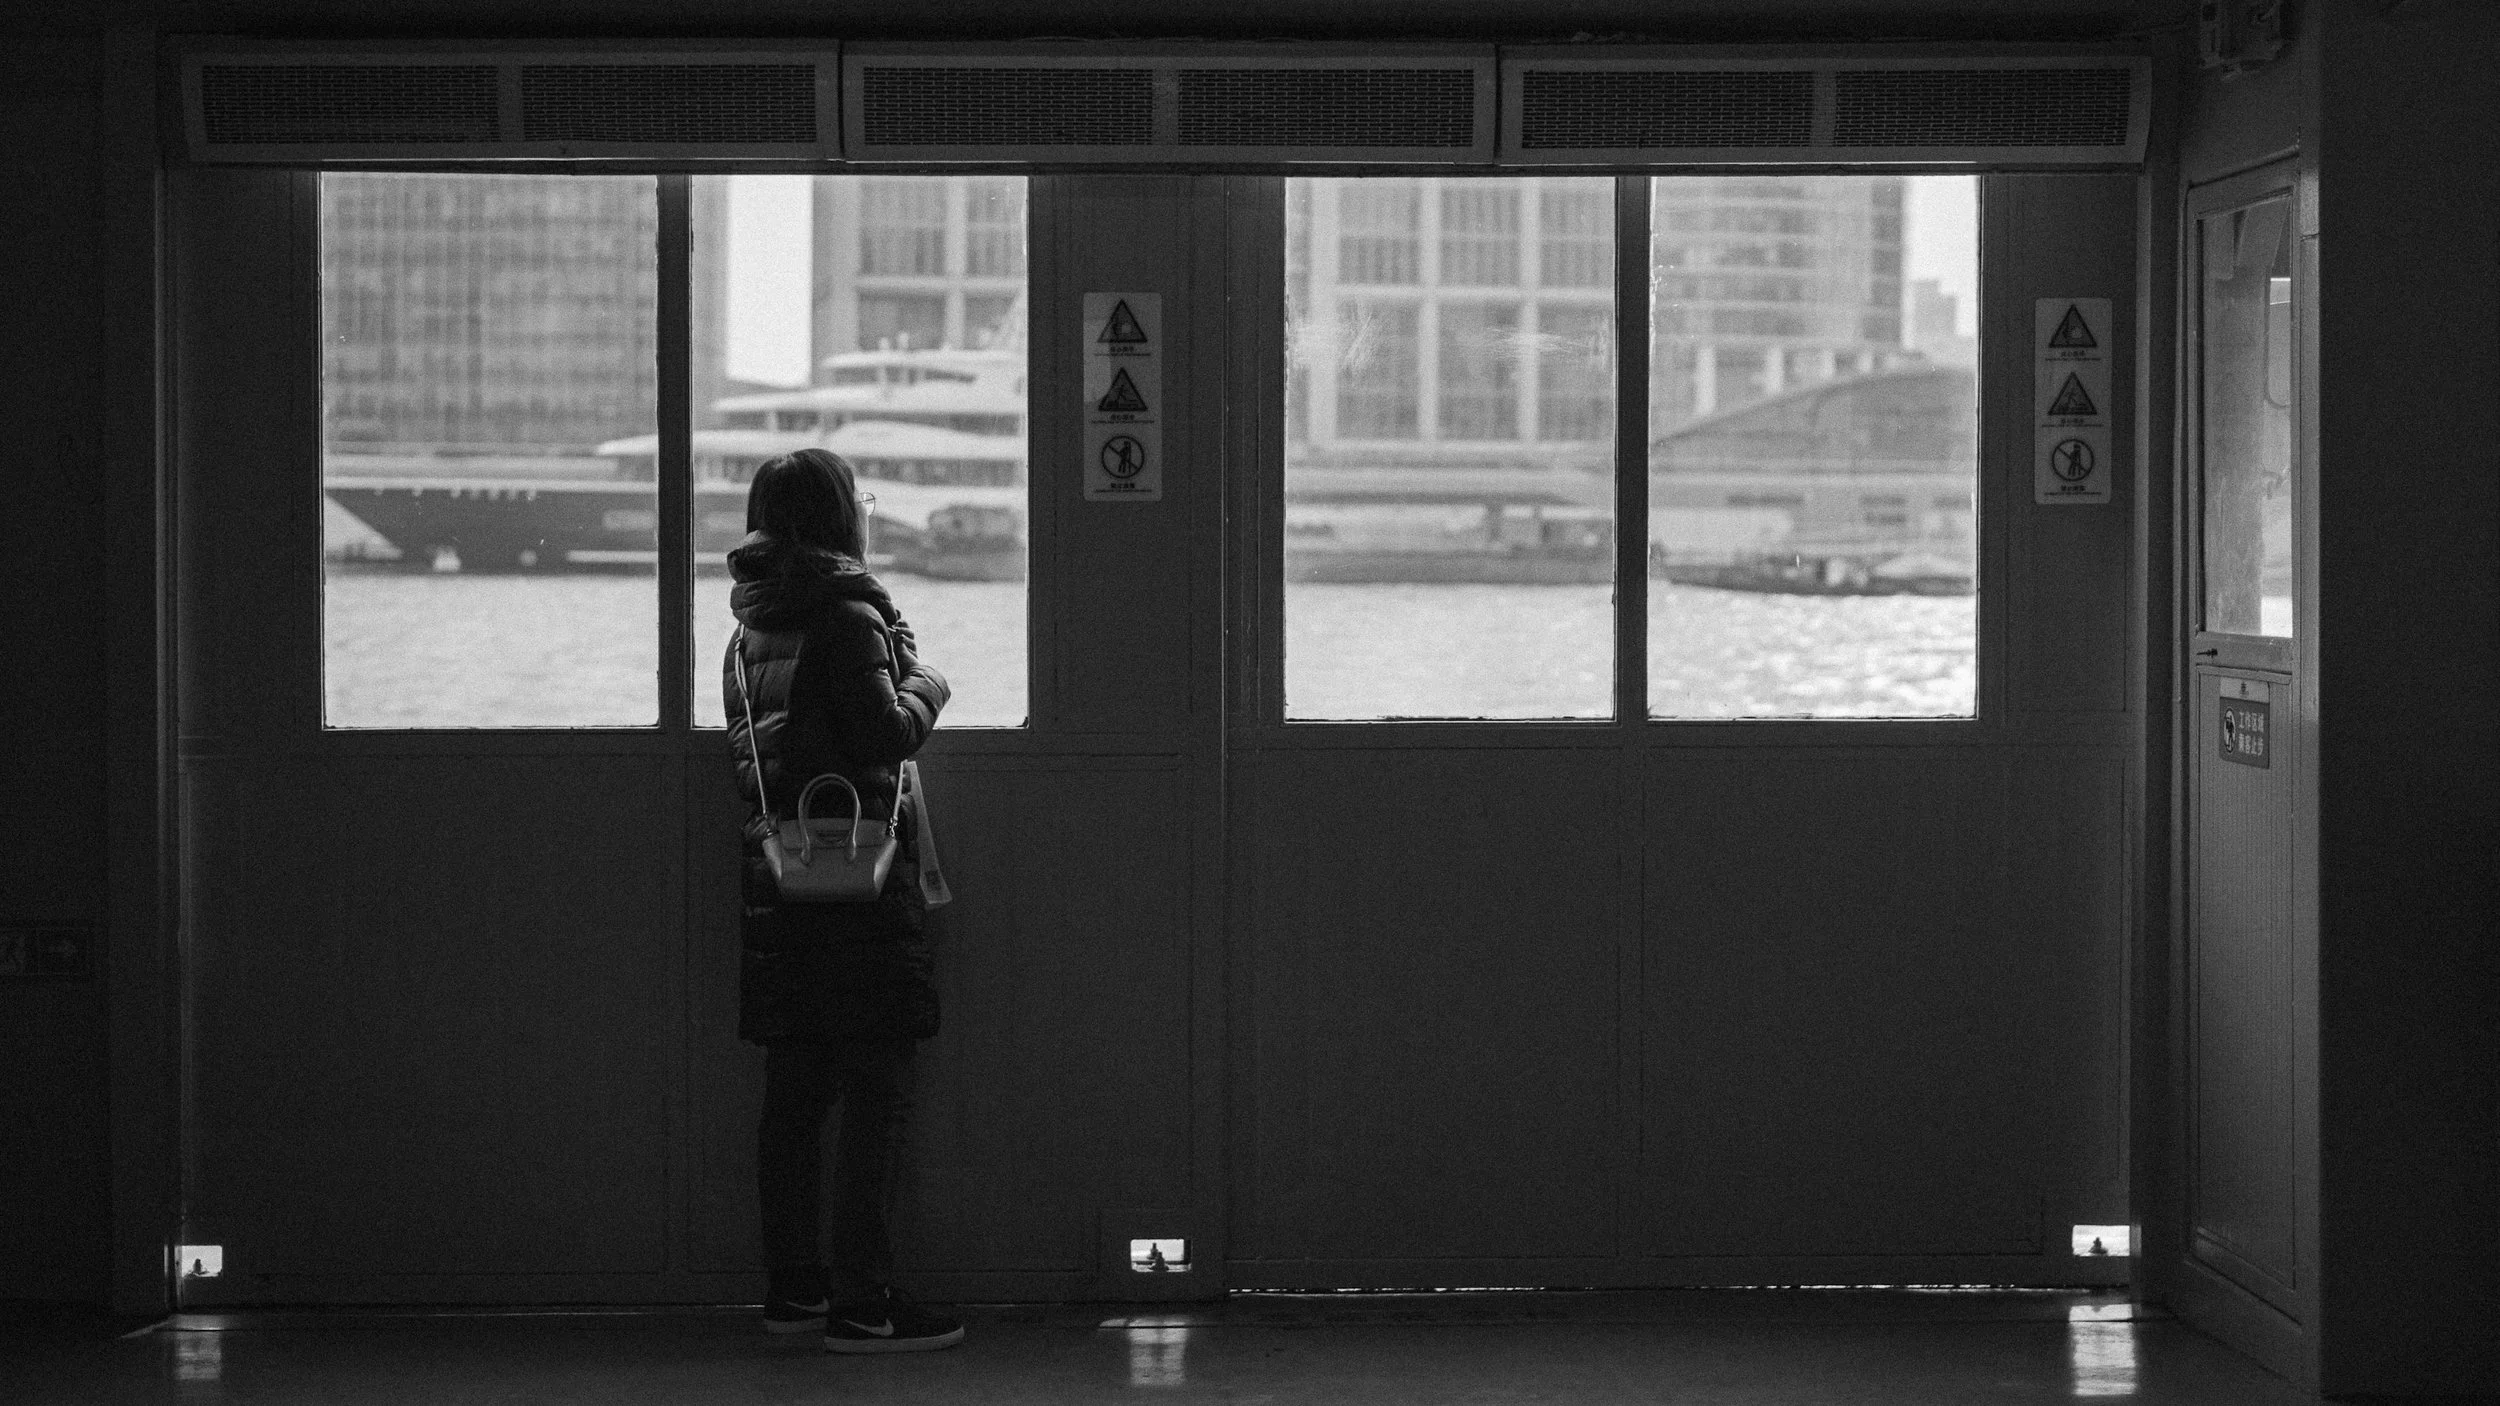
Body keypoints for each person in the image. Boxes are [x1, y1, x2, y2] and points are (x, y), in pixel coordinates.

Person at [723, 447, 961, 1353]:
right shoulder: (850, 615)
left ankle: (796, 1289)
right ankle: (866, 1302)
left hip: (779, 881)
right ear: (842, 519)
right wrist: (929, 680)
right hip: (857, 886)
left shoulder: (749, 625)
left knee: (795, 1094)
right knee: (877, 1091)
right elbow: (887, 731)